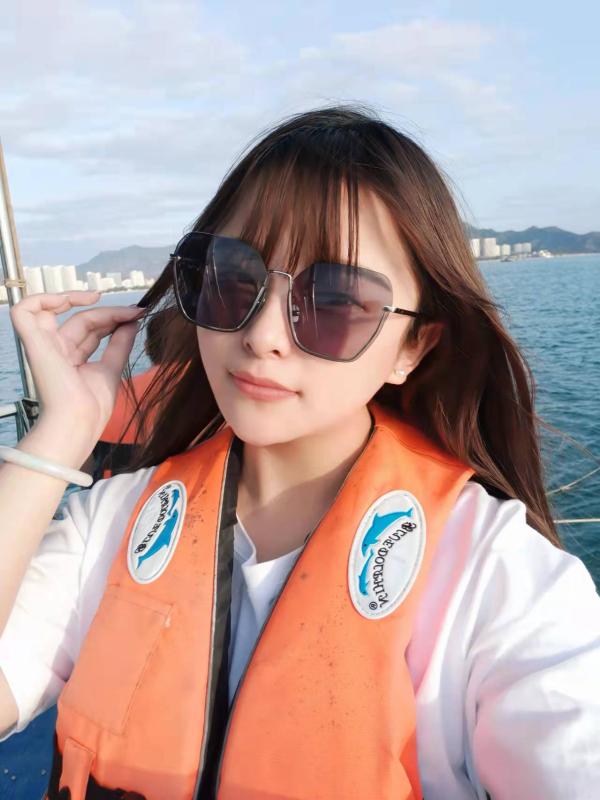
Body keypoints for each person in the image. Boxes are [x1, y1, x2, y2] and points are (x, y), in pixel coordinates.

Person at [0, 105, 598, 800]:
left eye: (335, 302)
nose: (261, 336)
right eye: (232, 279)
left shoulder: (493, 574)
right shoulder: (111, 523)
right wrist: (59, 435)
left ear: (412, 347)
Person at [88, 306, 180, 481]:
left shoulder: (103, 395)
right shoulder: (217, 400)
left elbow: (84, 469)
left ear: (147, 348)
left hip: (108, 489)